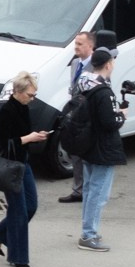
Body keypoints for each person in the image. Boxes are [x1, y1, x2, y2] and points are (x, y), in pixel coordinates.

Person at [0, 72, 47, 267]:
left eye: (34, 95)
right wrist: (29, 138)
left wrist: (35, 136)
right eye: (30, 94)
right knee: (18, 210)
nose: (32, 98)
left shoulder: (23, 107)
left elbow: (24, 135)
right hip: (10, 165)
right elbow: (5, 142)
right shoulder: (6, 111)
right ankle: (18, 257)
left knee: (31, 205)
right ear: (18, 91)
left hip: (23, 162)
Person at [74, 47, 127, 252]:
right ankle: (89, 234)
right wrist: (121, 115)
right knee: (98, 193)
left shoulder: (84, 83)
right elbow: (109, 122)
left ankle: (88, 230)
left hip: (87, 145)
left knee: (89, 190)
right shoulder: (104, 91)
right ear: (108, 65)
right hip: (103, 147)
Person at [58, 30, 95, 204]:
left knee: (87, 155)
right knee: (75, 154)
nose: (76, 47)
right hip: (75, 114)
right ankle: (78, 190)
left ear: (90, 46)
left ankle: (89, 190)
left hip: (88, 115)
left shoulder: (96, 64)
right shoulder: (75, 63)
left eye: (80, 44)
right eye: (76, 44)